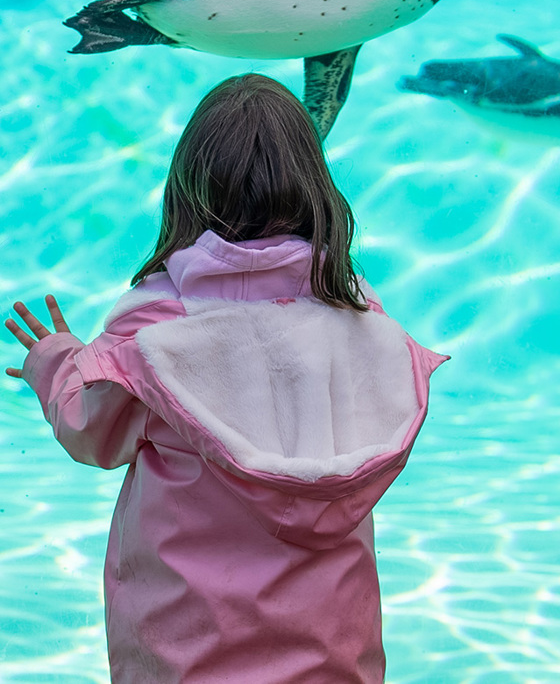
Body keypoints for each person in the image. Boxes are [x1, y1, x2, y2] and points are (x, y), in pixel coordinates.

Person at [5, 74, 448, 684]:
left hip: (185, 655)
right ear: (316, 191)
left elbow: (92, 433)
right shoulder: (362, 320)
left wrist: (54, 360)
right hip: (335, 656)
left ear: (187, 193)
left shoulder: (156, 329)